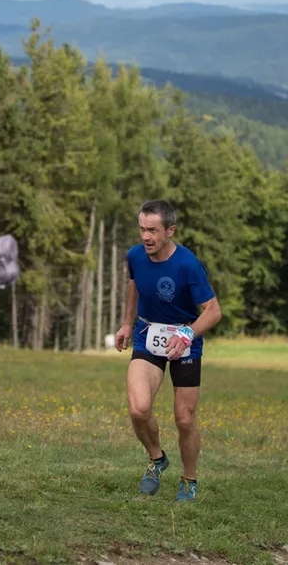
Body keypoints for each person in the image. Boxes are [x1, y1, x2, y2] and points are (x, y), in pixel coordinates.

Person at [114, 200, 221, 502]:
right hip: (148, 335)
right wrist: (127, 323)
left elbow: (213, 311)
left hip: (185, 339)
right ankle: (157, 458)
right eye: (142, 229)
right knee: (139, 409)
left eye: (152, 230)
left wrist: (187, 335)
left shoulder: (188, 264)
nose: (145, 237)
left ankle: (189, 479)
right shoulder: (135, 256)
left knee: (184, 419)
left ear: (170, 230)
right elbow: (135, 284)